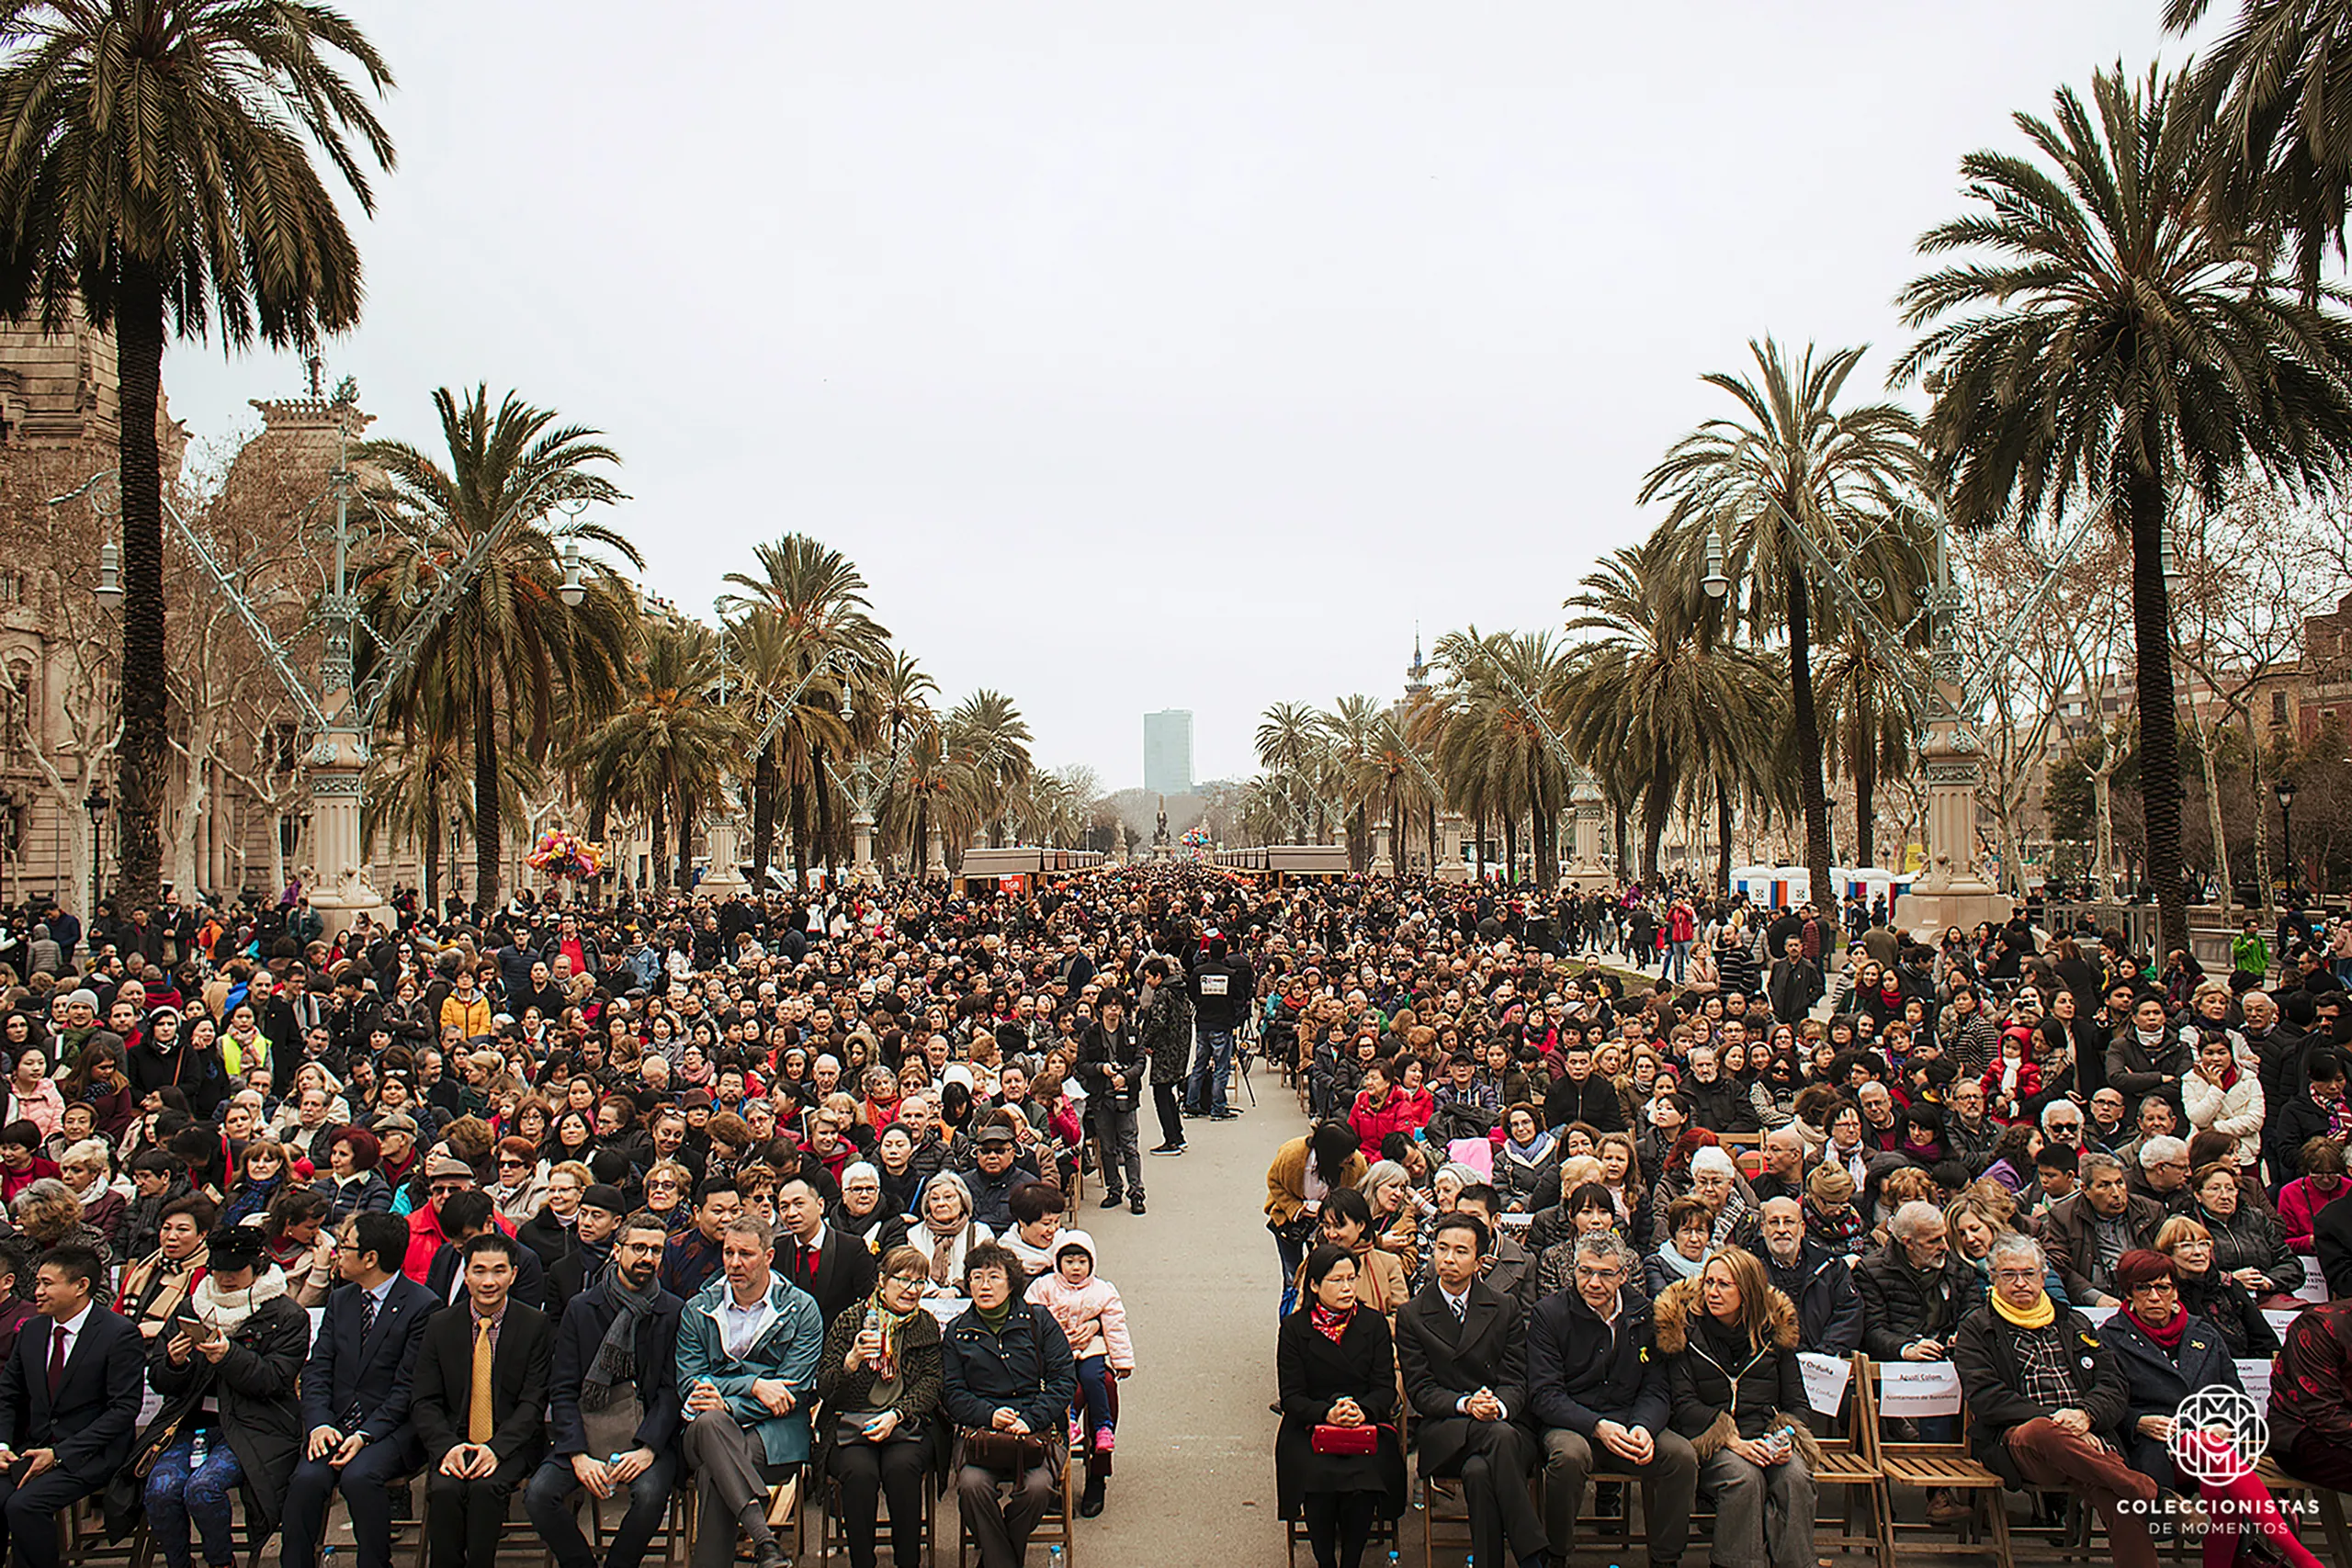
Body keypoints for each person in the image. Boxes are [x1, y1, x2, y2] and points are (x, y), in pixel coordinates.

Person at [2101, 1249, 2323, 1567]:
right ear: (2128, 1293)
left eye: (2162, 1287)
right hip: (2152, 1453)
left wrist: (2226, 1424)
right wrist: (2138, 1422)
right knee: (2209, 1454)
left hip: (2212, 1450)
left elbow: (2236, 1398)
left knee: (2217, 1476)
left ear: (2175, 1291)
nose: (2154, 1296)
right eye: (2143, 1288)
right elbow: (2106, 1403)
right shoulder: (2110, 1338)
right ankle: (2304, 1559)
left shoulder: (2203, 1332)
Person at [1951, 1232, 2157, 1568]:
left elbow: (2114, 1383)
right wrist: (2061, 1419)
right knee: (2043, 1432)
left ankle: (2136, 1494)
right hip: (2021, 1444)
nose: (2020, 1283)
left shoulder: (2075, 1321)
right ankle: (2153, 1493)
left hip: (2089, 1440)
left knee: (2119, 1496)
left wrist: (2087, 1415)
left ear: (2044, 1276)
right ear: (1993, 1278)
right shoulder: (1977, 1327)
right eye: (2009, 1274)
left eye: (2028, 1273)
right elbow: (1985, 1397)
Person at [130, 1222, 310, 1568]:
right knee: (161, 1489)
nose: (226, 1278)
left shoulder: (286, 1315)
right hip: (188, 1422)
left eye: (236, 1270)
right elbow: (162, 1381)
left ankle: (221, 1563)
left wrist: (228, 1356)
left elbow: (275, 1380)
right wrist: (174, 1362)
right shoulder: (190, 1306)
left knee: (203, 1489)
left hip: (254, 1425)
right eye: (218, 1271)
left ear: (257, 1267)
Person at [1526, 1231, 1699, 1566]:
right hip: (1572, 1422)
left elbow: (1657, 1386)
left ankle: (1665, 1558)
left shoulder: (1646, 1313)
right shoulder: (1549, 1314)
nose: (1593, 1282)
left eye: (1605, 1273)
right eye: (1585, 1271)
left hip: (1630, 1419)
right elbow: (1544, 1394)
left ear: (1623, 1275)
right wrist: (1596, 1426)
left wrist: (1644, 1427)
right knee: (1569, 1457)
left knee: (1681, 1455)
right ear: (1573, 1270)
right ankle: (1556, 1555)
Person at [524, 1210, 684, 1568]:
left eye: (656, 1250)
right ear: (617, 1250)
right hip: (585, 1431)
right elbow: (562, 1387)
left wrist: (647, 1449)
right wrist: (578, 1455)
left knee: (650, 1495)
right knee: (538, 1495)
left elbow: (671, 1391)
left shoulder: (672, 1311)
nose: (648, 1258)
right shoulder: (582, 1309)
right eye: (639, 1248)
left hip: (646, 1435)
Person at [281, 1211, 442, 1568]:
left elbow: (409, 1387)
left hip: (392, 1429)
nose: (337, 1253)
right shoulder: (342, 1300)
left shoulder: (422, 1306)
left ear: (370, 1258)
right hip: (335, 1424)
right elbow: (318, 1368)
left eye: (345, 1246)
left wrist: (367, 1434)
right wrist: (320, 1422)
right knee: (307, 1480)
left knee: (359, 1476)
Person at [1395, 1213, 1547, 1568]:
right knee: (1498, 1439)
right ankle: (1532, 1553)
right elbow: (1421, 1390)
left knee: (1481, 1470)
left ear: (1480, 1261)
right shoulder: (1413, 1315)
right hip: (1446, 1429)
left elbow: (1516, 1378)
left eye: (1461, 1251)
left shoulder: (1503, 1306)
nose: (1448, 1259)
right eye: (1442, 1249)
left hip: (1502, 1422)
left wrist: (1496, 1405)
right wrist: (1466, 1404)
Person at [674, 1214, 824, 1568]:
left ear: (769, 1256)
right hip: (703, 1428)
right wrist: (754, 1386)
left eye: (746, 1254)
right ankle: (764, 1540)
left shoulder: (801, 1308)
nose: (735, 1263)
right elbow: (691, 1381)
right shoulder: (699, 1308)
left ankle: (757, 1547)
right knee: (710, 1423)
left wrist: (725, 1405)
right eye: (728, 1253)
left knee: (716, 1469)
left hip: (775, 1436)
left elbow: (792, 1390)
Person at [1654, 1248, 1817, 1568]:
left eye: (1724, 1285)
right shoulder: (1685, 1330)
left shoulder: (1773, 1333)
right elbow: (1683, 1405)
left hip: (1764, 1436)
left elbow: (1797, 1402)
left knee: (1795, 1476)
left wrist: (1785, 1438)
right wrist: (1729, 1438)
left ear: (1748, 1290)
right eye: (1709, 1282)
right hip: (1709, 1438)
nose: (1712, 1292)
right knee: (1744, 1477)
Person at [410, 1231, 553, 1568]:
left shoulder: (534, 1325)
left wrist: (496, 1449)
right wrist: (447, 1447)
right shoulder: (440, 1324)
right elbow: (424, 1399)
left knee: (485, 1490)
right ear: (465, 1273)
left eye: (499, 1271)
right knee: (445, 1491)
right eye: (479, 1271)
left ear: (513, 1274)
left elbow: (533, 1401)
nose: (489, 1281)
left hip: (510, 1443)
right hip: (454, 1442)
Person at [0, 1246, 143, 1568]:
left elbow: (123, 1410)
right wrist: (2, 1444)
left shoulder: (118, 1334)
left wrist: (60, 1453)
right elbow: (7, 1394)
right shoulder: (33, 1330)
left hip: (91, 1453)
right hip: (34, 1446)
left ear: (81, 1286)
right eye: (37, 1283)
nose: (37, 1292)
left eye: (47, 1284)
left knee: (25, 1505)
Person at [942, 1242, 1077, 1568]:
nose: (984, 1286)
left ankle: (993, 1558)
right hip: (982, 1432)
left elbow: (1064, 1381)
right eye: (976, 1277)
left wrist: (1029, 1419)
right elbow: (952, 1393)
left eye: (993, 1277)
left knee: (1038, 1488)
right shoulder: (958, 1331)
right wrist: (990, 1415)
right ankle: (1004, 1560)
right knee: (972, 1487)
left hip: (1036, 1429)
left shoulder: (1038, 1320)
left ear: (1011, 1281)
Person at [1274, 1243, 1407, 1568]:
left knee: (1364, 1479)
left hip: (1365, 1421)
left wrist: (1361, 1411)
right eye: (1336, 1280)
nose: (1347, 1287)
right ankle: (1325, 1562)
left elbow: (1384, 1387)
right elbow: (1291, 1395)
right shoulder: (1295, 1329)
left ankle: (1351, 1561)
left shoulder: (1373, 1324)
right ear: (1315, 1285)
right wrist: (1327, 1413)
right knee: (1317, 1479)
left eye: (1352, 1278)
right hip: (1310, 1423)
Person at [816, 1247, 942, 1568]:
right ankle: (862, 1562)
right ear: (882, 1281)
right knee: (859, 1473)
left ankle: (908, 1561)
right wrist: (852, 1360)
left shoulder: (925, 1324)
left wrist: (896, 1414)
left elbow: (931, 1384)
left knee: (902, 1470)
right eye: (903, 1280)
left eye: (919, 1282)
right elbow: (827, 1388)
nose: (911, 1290)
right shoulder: (851, 1320)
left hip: (905, 1423)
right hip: (851, 1424)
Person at [1023, 1229, 1132, 1517]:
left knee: (1103, 1382)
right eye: (1069, 1261)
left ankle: (1099, 1460)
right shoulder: (1044, 1285)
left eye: (1081, 1262)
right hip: (1052, 1356)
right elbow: (1031, 1318)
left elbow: (1116, 1324)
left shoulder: (1101, 1289)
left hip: (1091, 1351)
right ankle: (1053, 1469)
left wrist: (1121, 1358)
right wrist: (1054, 1337)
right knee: (1063, 1387)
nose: (1075, 1268)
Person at [1267, 1123, 1367, 1317]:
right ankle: (1290, 1323)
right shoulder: (1293, 1155)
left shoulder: (1356, 1165)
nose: (1352, 1158)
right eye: (1346, 1154)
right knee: (1292, 1276)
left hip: (1330, 1228)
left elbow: (1358, 1198)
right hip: (1290, 1222)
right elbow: (1274, 1181)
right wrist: (1297, 1208)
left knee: (1324, 1274)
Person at [2044, 1152, 2165, 1307]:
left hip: (2149, 1292)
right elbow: (2060, 1267)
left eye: (2119, 1183)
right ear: (2085, 1189)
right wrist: (2094, 1297)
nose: (2116, 1193)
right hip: (2098, 1297)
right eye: (2104, 1185)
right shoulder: (2063, 1217)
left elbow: (2165, 1259)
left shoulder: (2151, 1211)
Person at [773, 1173, 878, 1327]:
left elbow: (871, 1300)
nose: (791, 1213)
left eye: (799, 1204)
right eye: (784, 1207)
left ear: (820, 1205)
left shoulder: (851, 1248)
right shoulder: (778, 1249)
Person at [1076, 989, 1147, 1214]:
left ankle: (1136, 1192)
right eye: (1109, 1005)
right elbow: (1082, 1063)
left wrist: (1125, 1076)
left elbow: (1141, 1061)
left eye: (1117, 1005)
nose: (1114, 1009)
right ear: (1102, 1008)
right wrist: (1101, 1068)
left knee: (1130, 1145)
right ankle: (1114, 1188)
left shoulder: (1132, 1032)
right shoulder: (1091, 1034)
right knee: (1107, 1147)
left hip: (1126, 1096)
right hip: (1100, 1096)